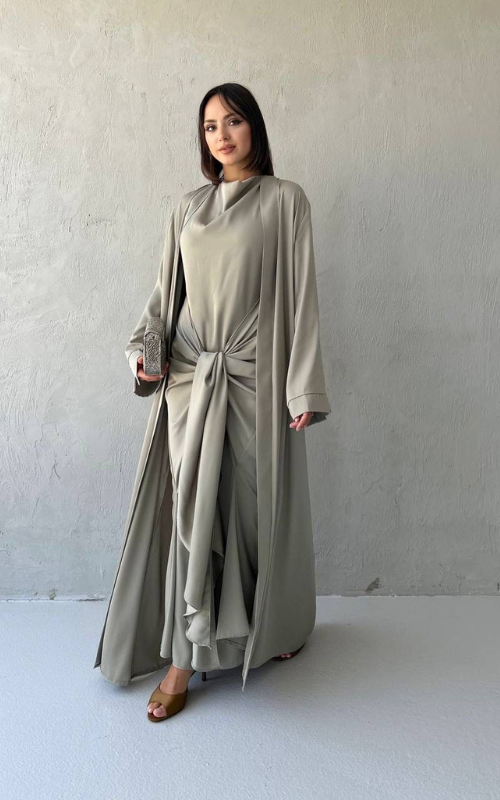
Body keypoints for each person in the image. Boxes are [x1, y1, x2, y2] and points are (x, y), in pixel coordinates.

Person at [93, 82, 331, 722]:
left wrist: (303, 385)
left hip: (255, 377)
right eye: (209, 126)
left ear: (255, 127)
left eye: (233, 121)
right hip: (190, 379)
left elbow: (302, 299)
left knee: (251, 515)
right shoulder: (188, 208)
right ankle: (183, 659)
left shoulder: (285, 200)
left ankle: (276, 626)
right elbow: (164, 296)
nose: (221, 135)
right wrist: (145, 354)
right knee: (191, 512)